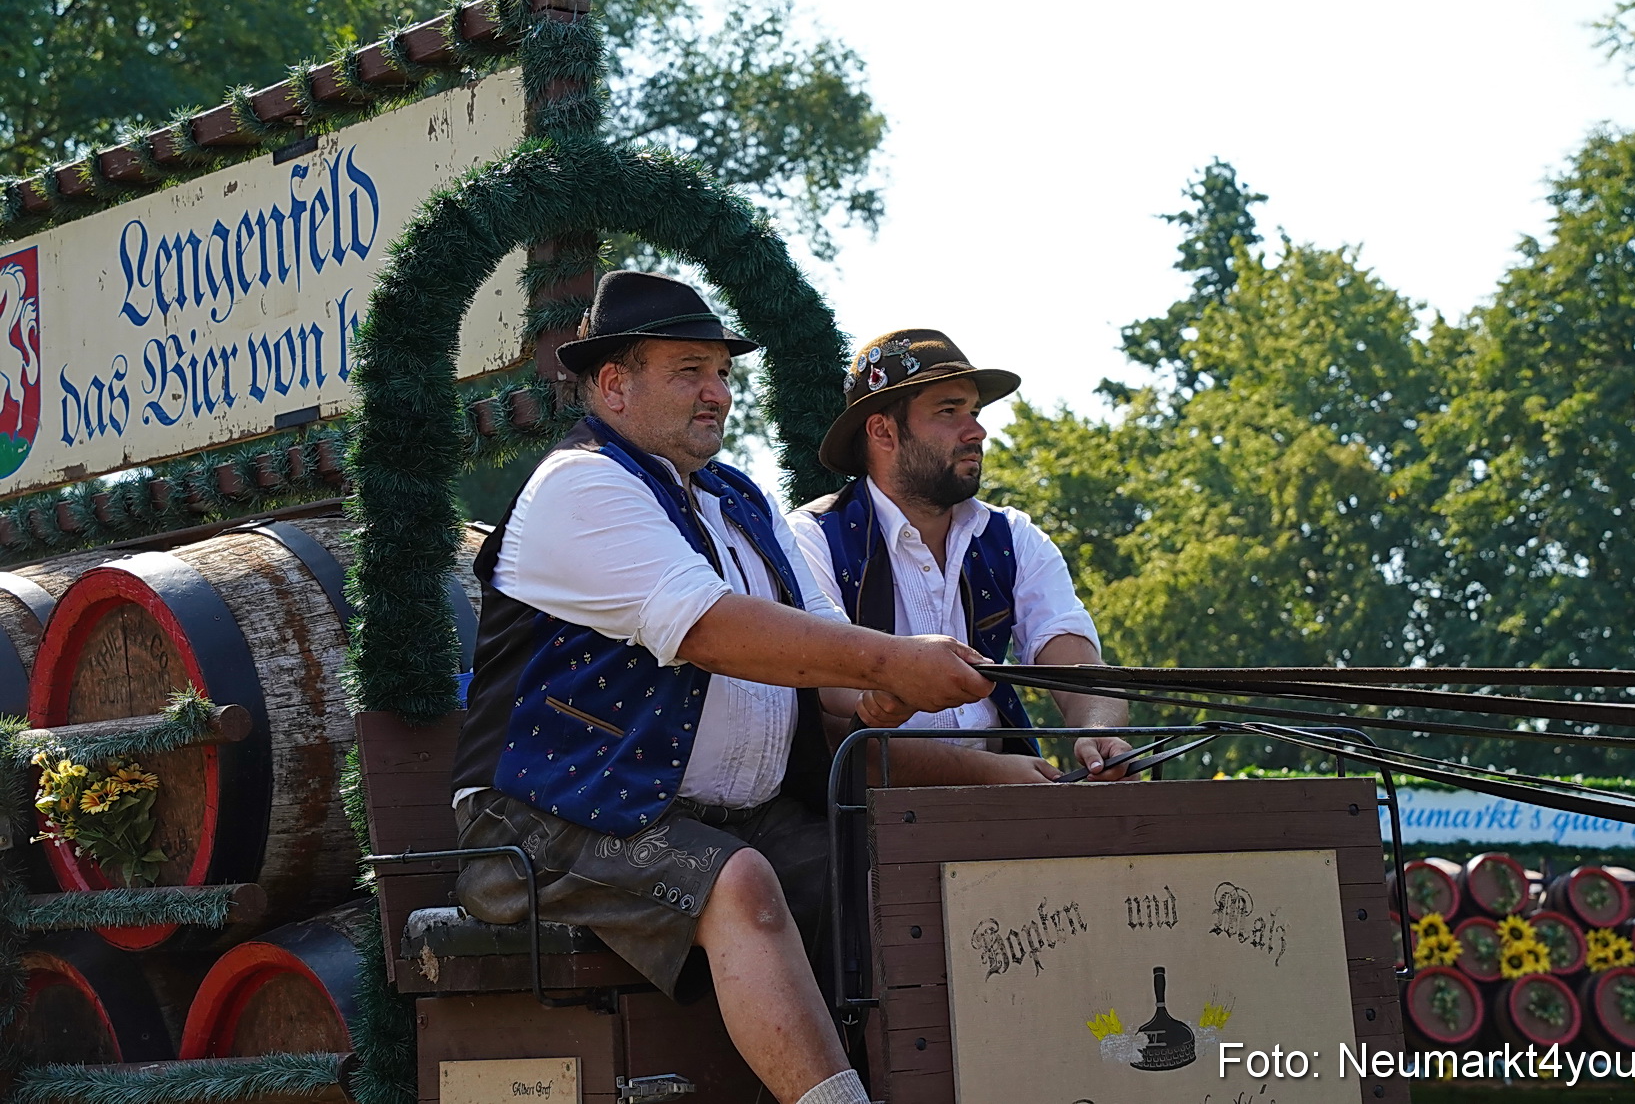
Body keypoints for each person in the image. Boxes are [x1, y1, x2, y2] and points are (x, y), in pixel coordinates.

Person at [449, 273, 991, 1104]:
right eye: (690, 370)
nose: (717, 391)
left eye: (723, 372)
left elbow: (826, 671)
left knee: (897, 879)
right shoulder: (581, 485)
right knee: (736, 882)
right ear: (613, 384)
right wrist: (887, 661)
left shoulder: (742, 499)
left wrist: (875, 693)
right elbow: (710, 629)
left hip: (721, 815)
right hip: (548, 818)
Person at [788, 329, 1132, 785]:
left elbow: (1074, 661)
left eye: (974, 411)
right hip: (858, 820)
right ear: (882, 430)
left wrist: (1100, 732)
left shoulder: (1012, 535)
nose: (977, 431)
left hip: (1010, 797)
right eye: (949, 411)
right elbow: (835, 712)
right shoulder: (811, 538)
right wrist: (986, 775)